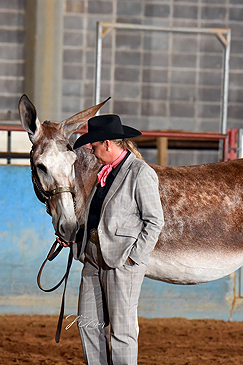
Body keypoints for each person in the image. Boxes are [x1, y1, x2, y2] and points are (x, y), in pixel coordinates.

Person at [70, 114, 165, 365]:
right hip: (93, 259)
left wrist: (134, 257)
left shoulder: (140, 173)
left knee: (121, 331)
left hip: (122, 262)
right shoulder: (104, 173)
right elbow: (97, 217)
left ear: (107, 144)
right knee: (88, 325)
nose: (91, 151)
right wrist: (77, 239)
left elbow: (155, 221)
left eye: (94, 145)